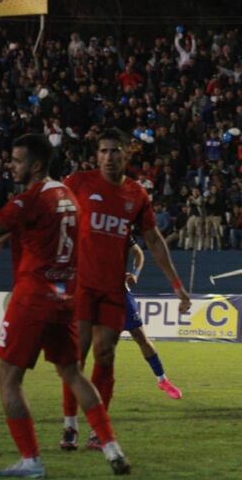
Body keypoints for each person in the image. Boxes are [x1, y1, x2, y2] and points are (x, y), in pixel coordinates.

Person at [0, 134, 130, 477]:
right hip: (64, 297)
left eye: (16, 160)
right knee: (72, 372)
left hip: (32, 297)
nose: (11, 166)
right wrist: (7, 238)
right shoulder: (67, 196)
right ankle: (110, 446)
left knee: (7, 380)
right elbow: (38, 230)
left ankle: (31, 461)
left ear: (36, 164)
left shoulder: (28, 200)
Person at [60, 128, 191, 451]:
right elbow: (47, 210)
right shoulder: (77, 183)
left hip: (114, 291)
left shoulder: (136, 195)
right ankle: (69, 425)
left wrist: (177, 286)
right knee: (76, 356)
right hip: (81, 285)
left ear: (126, 154)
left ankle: (96, 429)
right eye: (103, 151)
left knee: (106, 354)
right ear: (96, 155)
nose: (108, 157)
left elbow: (153, 242)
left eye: (115, 151)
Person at [124, 237, 183, 400]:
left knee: (139, 335)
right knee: (97, 340)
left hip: (120, 292)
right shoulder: (88, 226)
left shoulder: (121, 227)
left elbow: (138, 253)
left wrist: (135, 273)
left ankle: (162, 380)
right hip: (94, 291)